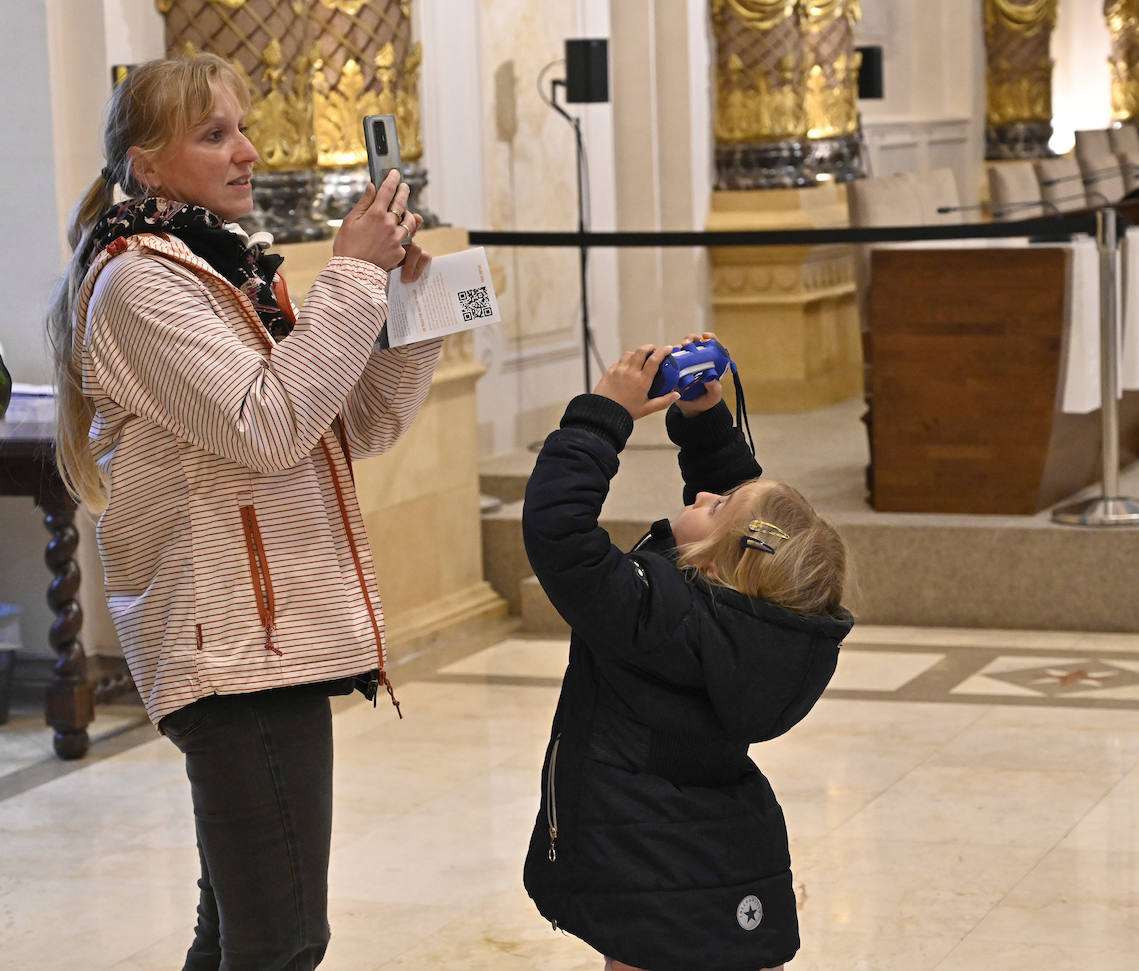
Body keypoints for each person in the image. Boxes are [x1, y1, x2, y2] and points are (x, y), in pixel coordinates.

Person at [45, 53, 442, 969]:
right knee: (283, 941)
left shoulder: (218, 268)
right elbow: (268, 425)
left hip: (261, 641)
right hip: (232, 647)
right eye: (213, 134)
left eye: (243, 128)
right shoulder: (139, 284)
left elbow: (356, 425)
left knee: (239, 935)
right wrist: (346, 275)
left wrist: (406, 306)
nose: (249, 151)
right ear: (146, 165)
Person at [521, 336, 854, 971]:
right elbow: (750, 540)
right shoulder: (771, 623)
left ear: (710, 561)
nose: (702, 497)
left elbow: (559, 533)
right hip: (728, 857)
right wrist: (705, 425)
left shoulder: (654, 614)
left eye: (716, 504)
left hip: (639, 856)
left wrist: (601, 415)